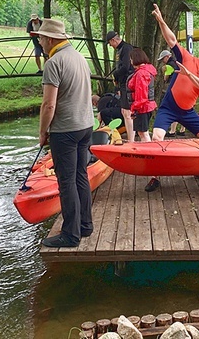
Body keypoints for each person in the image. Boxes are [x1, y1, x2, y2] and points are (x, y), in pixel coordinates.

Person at [145, 3, 199, 192]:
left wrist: (189, 75)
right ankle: (154, 176)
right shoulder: (188, 58)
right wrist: (161, 20)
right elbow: (171, 40)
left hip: (187, 112)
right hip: (168, 108)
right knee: (157, 137)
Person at [35, 19, 94, 248]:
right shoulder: (79, 57)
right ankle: (85, 225)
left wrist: (43, 132)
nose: (39, 42)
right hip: (85, 126)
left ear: (50, 39)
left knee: (66, 181)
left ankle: (70, 234)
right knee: (81, 175)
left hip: (66, 130)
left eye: (40, 38)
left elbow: (48, 105)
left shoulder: (53, 62)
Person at [106, 30, 135, 142]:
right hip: (122, 84)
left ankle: (131, 139)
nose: (110, 45)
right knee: (124, 112)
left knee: (127, 113)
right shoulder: (120, 50)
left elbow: (126, 67)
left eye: (110, 43)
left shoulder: (126, 48)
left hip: (127, 84)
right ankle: (129, 138)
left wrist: (115, 74)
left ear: (114, 40)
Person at [127, 48, 158, 142]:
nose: (131, 61)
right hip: (147, 106)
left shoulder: (141, 73)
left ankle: (148, 153)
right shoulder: (147, 70)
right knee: (144, 132)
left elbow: (141, 95)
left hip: (143, 107)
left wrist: (134, 108)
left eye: (131, 59)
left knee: (142, 133)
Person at [157, 49, 185, 137]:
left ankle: (172, 131)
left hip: (173, 88)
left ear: (167, 57)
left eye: (162, 59)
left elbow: (166, 78)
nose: (162, 61)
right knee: (182, 109)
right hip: (182, 87)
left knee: (173, 108)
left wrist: (163, 72)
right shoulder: (177, 63)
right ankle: (182, 129)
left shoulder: (169, 65)